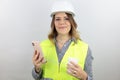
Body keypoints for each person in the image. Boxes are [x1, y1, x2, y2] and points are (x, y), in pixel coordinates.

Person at [32, 0, 93, 80]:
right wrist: (37, 68)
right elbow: (36, 77)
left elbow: (90, 78)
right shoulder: (43, 46)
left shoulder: (84, 48)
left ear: (72, 22)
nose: (62, 22)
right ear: (53, 22)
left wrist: (84, 76)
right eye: (57, 19)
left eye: (66, 18)